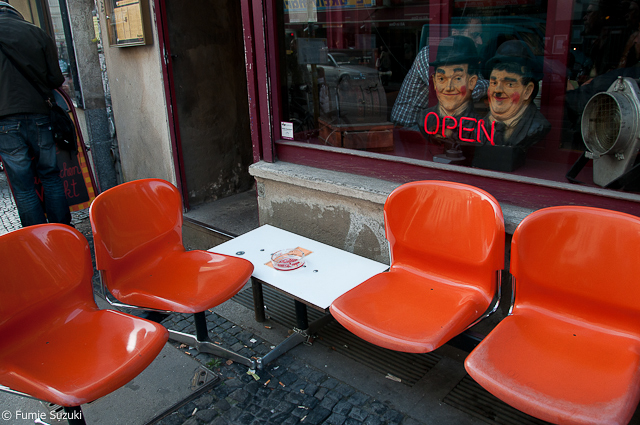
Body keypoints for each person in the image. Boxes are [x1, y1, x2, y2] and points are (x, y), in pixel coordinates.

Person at [0, 0, 71, 227]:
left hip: (4, 119)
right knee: (50, 175)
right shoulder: (36, 32)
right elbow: (56, 78)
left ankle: (36, 237)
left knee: (23, 185)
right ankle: (62, 231)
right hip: (40, 113)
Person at [390, 18, 488, 129]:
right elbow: (468, 90)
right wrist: (492, 84)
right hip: (408, 126)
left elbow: (474, 84)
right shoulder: (430, 54)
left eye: (481, 36)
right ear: (455, 33)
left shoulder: (466, 60)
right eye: (475, 35)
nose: (480, 41)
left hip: (434, 123)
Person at [480, 40, 550, 149]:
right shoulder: (481, 125)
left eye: (509, 84)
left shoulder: (536, 126)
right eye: (494, 83)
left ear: (527, 91)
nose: (497, 90)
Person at [417, 36, 482, 146]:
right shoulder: (424, 118)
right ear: (435, 81)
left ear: (472, 82)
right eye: (442, 79)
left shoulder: (479, 126)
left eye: (457, 78)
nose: (449, 87)